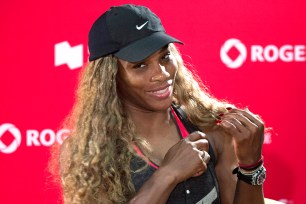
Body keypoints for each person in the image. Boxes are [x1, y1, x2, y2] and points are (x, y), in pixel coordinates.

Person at [57, 4, 266, 204]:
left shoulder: (210, 127)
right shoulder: (87, 154)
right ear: (110, 77)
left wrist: (250, 164)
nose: (161, 74)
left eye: (165, 56)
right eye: (140, 65)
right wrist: (168, 174)